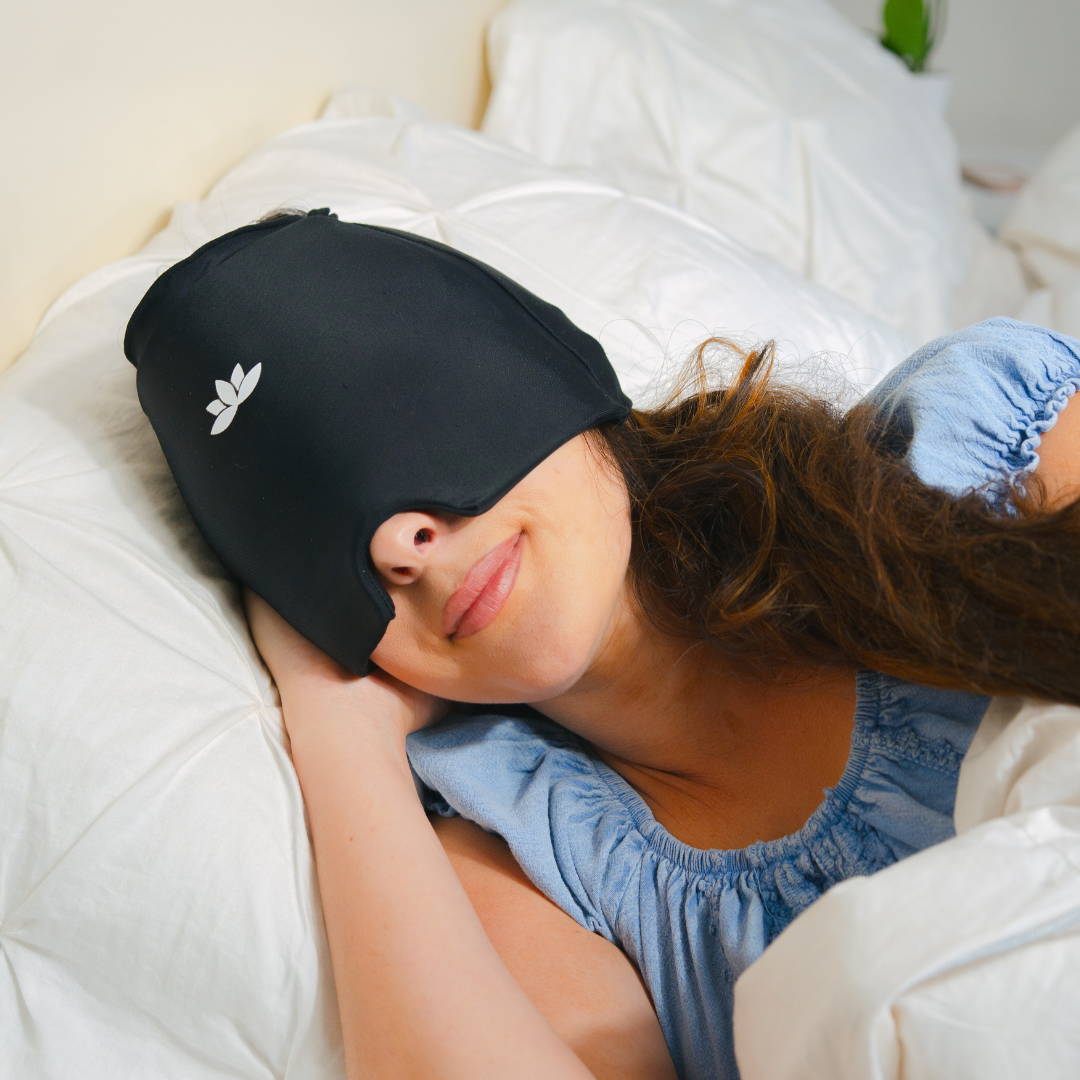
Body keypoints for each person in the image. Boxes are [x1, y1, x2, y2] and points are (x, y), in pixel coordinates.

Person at [131, 208, 1080, 1079]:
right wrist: (340, 735)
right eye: (301, 535)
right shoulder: (523, 870)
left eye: (398, 415)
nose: (397, 544)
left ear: (548, 370)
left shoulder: (981, 453)